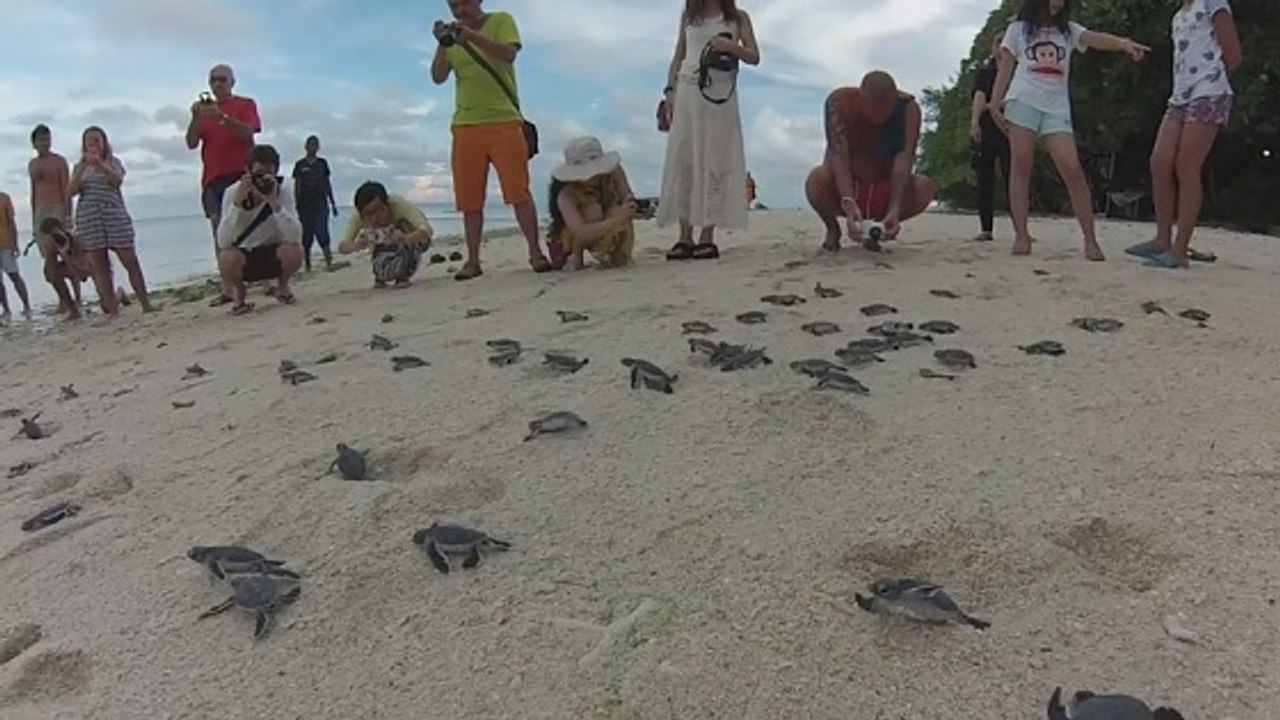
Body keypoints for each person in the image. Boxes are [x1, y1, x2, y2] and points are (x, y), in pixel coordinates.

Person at [988, 0, 1150, 260]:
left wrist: (1123, 44)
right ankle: (1021, 234)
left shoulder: (1068, 31)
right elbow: (1005, 68)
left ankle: (1090, 239)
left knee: (1072, 169)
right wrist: (995, 104)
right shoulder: (1018, 29)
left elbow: (1094, 38)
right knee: (1021, 165)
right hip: (1022, 100)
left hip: (1056, 107)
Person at [429, 0, 551, 281]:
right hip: (465, 125)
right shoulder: (453, 39)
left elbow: (508, 54)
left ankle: (535, 252)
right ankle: (472, 260)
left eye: (464, 3)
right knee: (470, 199)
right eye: (453, 6)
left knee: (518, 192)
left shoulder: (501, 21)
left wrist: (470, 36)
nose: (460, 11)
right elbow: (437, 77)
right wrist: (442, 43)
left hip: (504, 121)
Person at [1127, 0, 1242, 269]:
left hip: (1208, 90)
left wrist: (1212, 78)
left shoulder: (1212, 3)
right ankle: (1162, 238)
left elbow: (1233, 53)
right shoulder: (1179, 15)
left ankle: (1179, 249)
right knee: (1160, 162)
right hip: (1180, 95)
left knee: (1187, 166)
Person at [657, 0, 759, 261]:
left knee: (715, 158)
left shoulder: (738, 18)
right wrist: (670, 90)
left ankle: (707, 236)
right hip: (688, 88)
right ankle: (684, 235)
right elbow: (679, 54)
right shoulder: (689, 16)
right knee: (685, 159)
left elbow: (754, 56)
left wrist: (729, 47)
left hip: (719, 93)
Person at [804, 71, 935, 253]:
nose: (877, 118)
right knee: (816, 180)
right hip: (849, 182)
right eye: (872, 109)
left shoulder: (908, 109)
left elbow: (904, 159)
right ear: (861, 98)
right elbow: (838, 156)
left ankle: (876, 230)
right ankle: (833, 230)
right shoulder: (840, 103)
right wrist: (848, 201)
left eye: (884, 110)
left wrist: (895, 207)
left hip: (883, 184)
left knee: (924, 187)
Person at [186, 63, 262, 305]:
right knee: (220, 233)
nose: (217, 84)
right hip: (213, 179)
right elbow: (190, 142)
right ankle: (228, 288)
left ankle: (265, 279)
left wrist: (222, 118)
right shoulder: (205, 112)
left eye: (222, 80)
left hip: (240, 174)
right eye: (213, 80)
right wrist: (196, 116)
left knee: (252, 228)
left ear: (232, 82)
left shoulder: (245, 104)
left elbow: (248, 132)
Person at [68, 126, 155, 317]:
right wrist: (83, 166)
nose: (93, 144)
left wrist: (99, 163)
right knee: (101, 267)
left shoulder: (113, 162)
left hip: (113, 215)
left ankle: (146, 304)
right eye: (89, 141)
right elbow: (71, 191)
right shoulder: (78, 167)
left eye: (97, 140)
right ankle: (113, 310)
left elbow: (116, 181)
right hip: (89, 218)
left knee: (130, 260)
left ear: (104, 143)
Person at [215, 144, 304, 315]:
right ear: (247, 172)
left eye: (268, 174)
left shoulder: (283, 190)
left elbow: (295, 236)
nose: (263, 180)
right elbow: (223, 241)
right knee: (226, 256)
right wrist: (236, 206)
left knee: (294, 251)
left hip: (274, 252)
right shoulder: (232, 192)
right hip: (244, 256)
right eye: (258, 175)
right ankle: (239, 293)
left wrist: (274, 204)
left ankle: (283, 285)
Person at [547, 136, 650, 272]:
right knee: (592, 210)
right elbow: (580, 231)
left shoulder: (614, 172)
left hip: (604, 220)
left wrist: (635, 210)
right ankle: (575, 252)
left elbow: (627, 198)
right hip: (573, 232)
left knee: (619, 258)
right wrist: (615, 219)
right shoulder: (567, 195)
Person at [336, 181, 433, 288]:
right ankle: (380, 274)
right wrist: (358, 244)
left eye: (379, 210)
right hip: (380, 253)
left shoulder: (398, 204)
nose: (375, 217)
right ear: (361, 213)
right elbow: (342, 247)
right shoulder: (358, 217)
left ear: (387, 204)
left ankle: (403, 274)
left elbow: (426, 230)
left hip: (407, 239)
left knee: (408, 228)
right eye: (369, 214)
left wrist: (405, 238)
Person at [27, 124, 80, 314]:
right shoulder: (33, 165)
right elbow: (33, 191)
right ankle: (63, 300)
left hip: (58, 207)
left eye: (47, 139)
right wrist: (34, 218)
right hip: (42, 210)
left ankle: (77, 298)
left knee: (66, 253)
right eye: (41, 140)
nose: (45, 143)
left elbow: (66, 189)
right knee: (49, 257)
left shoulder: (59, 161)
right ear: (34, 143)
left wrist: (67, 215)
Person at [969, 33, 1012, 242]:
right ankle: (986, 228)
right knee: (984, 179)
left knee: (1013, 177)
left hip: (1009, 127)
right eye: (998, 43)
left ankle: (1019, 227)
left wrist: (993, 105)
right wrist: (975, 121)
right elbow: (979, 95)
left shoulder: (1018, 73)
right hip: (987, 127)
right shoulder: (985, 72)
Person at [292, 135, 338, 272]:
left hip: (321, 203)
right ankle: (307, 265)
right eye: (311, 144)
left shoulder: (322, 163)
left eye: (316, 145)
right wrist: (296, 204)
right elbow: (297, 185)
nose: (314, 147)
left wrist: (333, 203)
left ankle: (329, 262)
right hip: (304, 204)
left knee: (322, 231)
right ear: (306, 147)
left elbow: (327, 183)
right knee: (307, 235)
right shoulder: (300, 165)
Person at [36, 217, 92, 320]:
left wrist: (65, 251)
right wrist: (50, 252)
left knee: (107, 306)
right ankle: (73, 309)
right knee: (53, 273)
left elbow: (82, 272)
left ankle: (120, 293)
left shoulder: (75, 238)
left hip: (91, 268)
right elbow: (49, 275)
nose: (55, 237)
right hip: (74, 265)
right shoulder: (53, 244)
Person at [0, 190, 33, 318]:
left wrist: (15, 243)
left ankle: (27, 305)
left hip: (6, 244)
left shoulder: (4, 198)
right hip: (6, 244)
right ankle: (6, 310)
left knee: (14, 275)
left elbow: (11, 222)